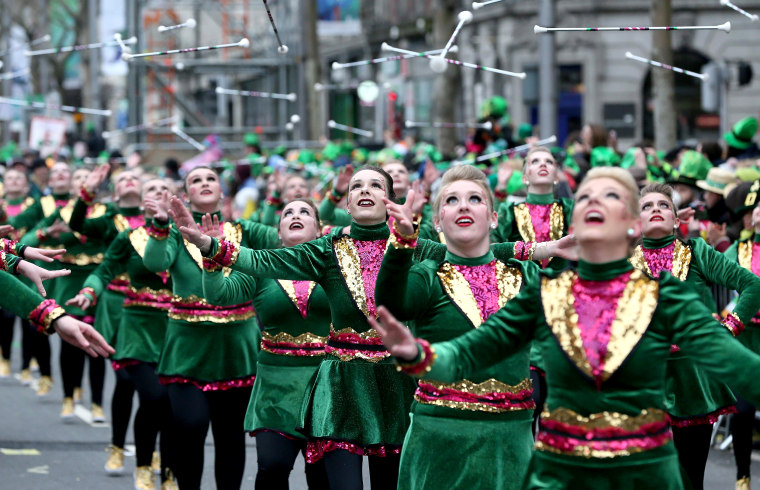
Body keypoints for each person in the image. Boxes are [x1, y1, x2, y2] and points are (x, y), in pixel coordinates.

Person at [177, 165, 570, 489]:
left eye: (376, 185)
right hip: (343, 383)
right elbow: (264, 262)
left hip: (396, 381)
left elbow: (474, 250)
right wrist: (212, 248)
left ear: (390, 199)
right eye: (357, 186)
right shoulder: (325, 249)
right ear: (346, 203)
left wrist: (541, 249)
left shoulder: (414, 245)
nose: (365, 190)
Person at [373, 167, 760, 489]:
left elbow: (742, 368)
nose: (595, 205)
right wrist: (418, 354)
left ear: (629, 224)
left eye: (610, 198)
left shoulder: (666, 300)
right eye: (587, 198)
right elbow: (475, 349)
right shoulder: (549, 294)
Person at [374, 165, 534, 489]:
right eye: (452, 200)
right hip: (439, 441)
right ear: (437, 221)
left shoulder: (524, 277)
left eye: (475, 199)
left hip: (510, 442)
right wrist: (402, 241)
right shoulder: (428, 275)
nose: (463, 205)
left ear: (493, 217)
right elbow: (391, 304)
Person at [142, 166, 279, 490]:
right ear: (187, 194)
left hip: (235, 348)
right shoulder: (176, 233)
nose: (204, 184)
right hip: (187, 348)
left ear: (223, 193)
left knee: (230, 435)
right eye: (195, 181)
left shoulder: (246, 231)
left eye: (210, 179)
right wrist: (161, 224)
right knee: (190, 425)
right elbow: (155, 263)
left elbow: (291, 237)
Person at [632, 182, 760, 490]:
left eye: (664, 205)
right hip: (644, 381)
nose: (656, 210)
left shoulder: (697, 252)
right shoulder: (622, 264)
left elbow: (752, 286)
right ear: (636, 222)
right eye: (647, 206)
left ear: (677, 220)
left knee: (690, 480)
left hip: (694, 380)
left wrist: (730, 328)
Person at [201, 199, 330, 489]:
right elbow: (220, 295)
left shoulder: (334, 266)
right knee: (272, 468)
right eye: (288, 213)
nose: (296, 216)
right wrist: (211, 262)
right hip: (276, 391)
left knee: (321, 477)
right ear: (279, 231)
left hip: (328, 388)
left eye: (305, 212)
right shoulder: (260, 265)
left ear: (319, 229)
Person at [67, 178, 178, 490]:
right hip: (136, 326)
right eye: (152, 189)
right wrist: (90, 291)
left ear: (176, 198)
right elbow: (105, 269)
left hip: (178, 329)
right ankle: (138, 461)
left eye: (164, 189)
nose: (158, 194)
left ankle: (169, 471)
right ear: (142, 202)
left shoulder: (189, 238)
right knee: (151, 395)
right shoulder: (130, 235)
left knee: (171, 403)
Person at [68, 164, 147, 474]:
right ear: (115, 192)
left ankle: (152, 451)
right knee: (127, 379)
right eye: (123, 178)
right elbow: (77, 223)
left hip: (157, 310)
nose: (129, 180)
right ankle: (116, 446)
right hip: (117, 304)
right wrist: (87, 192)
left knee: (157, 388)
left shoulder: (163, 224)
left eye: (134, 177)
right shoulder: (110, 221)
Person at [18, 163, 108, 419]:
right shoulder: (63, 212)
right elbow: (26, 243)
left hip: (96, 279)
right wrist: (48, 232)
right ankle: (69, 397)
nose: (83, 184)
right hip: (67, 279)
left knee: (97, 340)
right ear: (73, 188)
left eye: (86, 179)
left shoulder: (107, 212)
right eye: (78, 181)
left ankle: (98, 403)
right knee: (70, 341)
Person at [725, 185, 760, 490]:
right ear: (750, 218)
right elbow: (703, 275)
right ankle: (742, 475)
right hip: (744, 342)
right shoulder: (737, 250)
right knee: (743, 412)